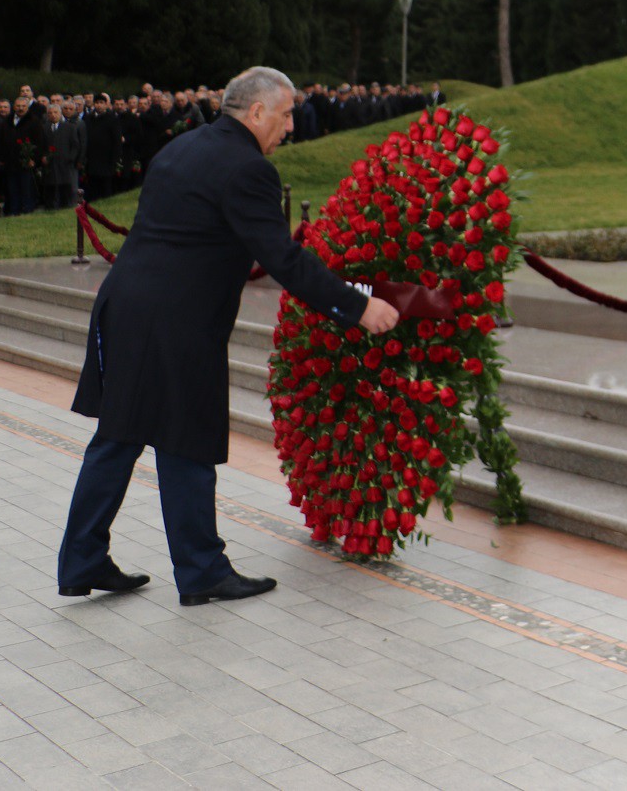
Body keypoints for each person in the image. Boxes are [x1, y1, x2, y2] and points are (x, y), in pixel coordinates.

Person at [58, 67, 399, 605]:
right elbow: (283, 257)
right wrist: (357, 307)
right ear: (257, 111)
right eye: (286, 114)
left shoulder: (182, 148)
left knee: (119, 436)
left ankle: (82, 559)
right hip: (177, 322)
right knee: (187, 439)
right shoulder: (247, 168)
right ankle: (201, 572)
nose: (291, 126)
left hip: (125, 305)